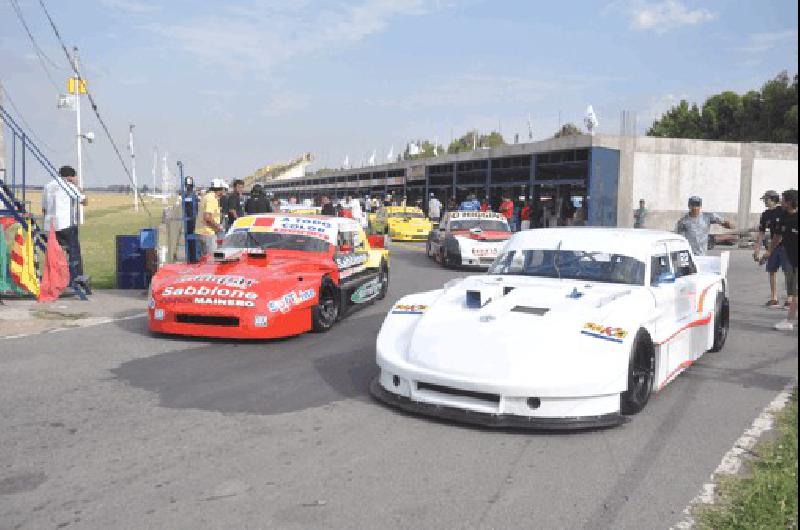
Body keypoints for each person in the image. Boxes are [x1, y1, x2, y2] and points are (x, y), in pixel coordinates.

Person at [42, 165, 89, 293]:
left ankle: (55, 279)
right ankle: (76, 279)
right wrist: (77, 185)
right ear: (70, 177)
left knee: (54, 254)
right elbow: (84, 201)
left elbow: (44, 208)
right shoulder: (69, 186)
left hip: (50, 226)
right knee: (74, 253)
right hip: (66, 224)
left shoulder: (48, 186)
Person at [753, 190, 788, 308]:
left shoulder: (783, 211)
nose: (764, 202)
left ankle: (790, 299)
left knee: (788, 272)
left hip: (787, 246)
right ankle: (774, 298)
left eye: (766, 199)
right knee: (771, 271)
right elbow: (761, 232)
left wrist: (768, 251)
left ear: (773, 199)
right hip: (774, 245)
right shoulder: (765, 214)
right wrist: (757, 249)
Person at [773, 189, 798, 330]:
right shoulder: (783, 216)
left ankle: (789, 321)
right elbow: (777, 236)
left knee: (796, 292)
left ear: (790, 202)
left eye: (783, 200)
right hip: (792, 259)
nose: (781, 202)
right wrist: (769, 252)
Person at [196, 179, 226, 257]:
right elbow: (207, 217)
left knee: (205, 259)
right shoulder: (212, 199)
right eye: (223, 189)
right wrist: (217, 227)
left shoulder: (206, 197)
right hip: (208, 233)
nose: (224, 191)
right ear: (220, 189)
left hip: (202, 232)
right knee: (211, 260)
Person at [182, 176, 200, 263]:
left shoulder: (192, 195)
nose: (188, 187)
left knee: (193, 240)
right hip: (189, 221)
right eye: (188, 186)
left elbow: (195, 208)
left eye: (189, 186)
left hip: (192, 220)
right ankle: (191, 258)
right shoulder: (186, 195)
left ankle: (193, 258)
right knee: (190, 241)